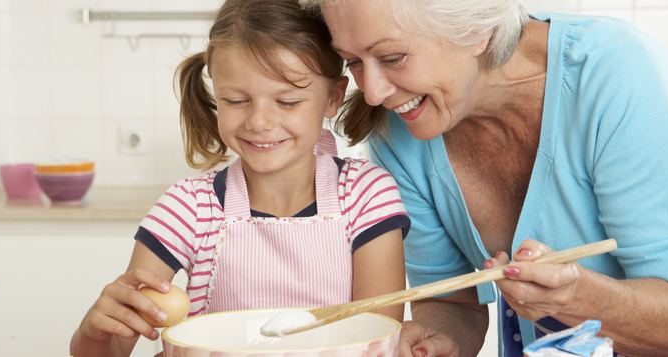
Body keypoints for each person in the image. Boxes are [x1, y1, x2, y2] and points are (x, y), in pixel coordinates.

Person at [297, 0, 668, 356]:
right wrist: (440, 340)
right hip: (558, 336)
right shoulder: (400, 131)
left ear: (476, 27)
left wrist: (575, 298)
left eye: (393, 57)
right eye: (353, 61)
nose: (375, 91)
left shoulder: (616, 75)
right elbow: (452, 302)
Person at [69, 0, 411, 355]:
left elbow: (377, 340)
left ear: (333, 97)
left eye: (288, 101)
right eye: (235, 100)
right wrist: (94, 332)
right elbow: (112, 348)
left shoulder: (366, 195)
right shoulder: (188, 208)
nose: (259, 122)